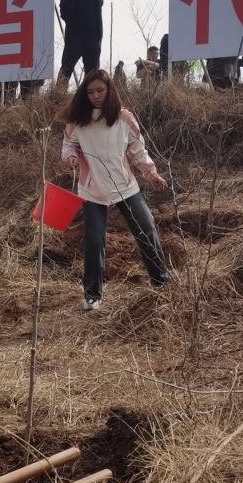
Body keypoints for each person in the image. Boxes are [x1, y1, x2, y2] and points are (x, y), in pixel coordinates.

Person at [60, 69, 170, 311]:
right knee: (93, 240)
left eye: (100, 90)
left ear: (110, 90)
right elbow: (68, 143)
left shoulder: (124, 118)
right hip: (93, 189)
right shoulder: (78, 120)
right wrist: (70, 158)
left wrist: (151, 175)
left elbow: (137, 151)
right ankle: (92, 295)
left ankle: (160, 282)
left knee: (147, 228)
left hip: (125, 186)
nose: (96, 96)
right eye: (90, 92)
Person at [56, 0, 104, 90]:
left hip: (93, 38)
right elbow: (64, 13)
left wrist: (98, 37)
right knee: (66, 68)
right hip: (74, 38)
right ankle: (58, 96)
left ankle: (89, 97)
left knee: (93, 72)